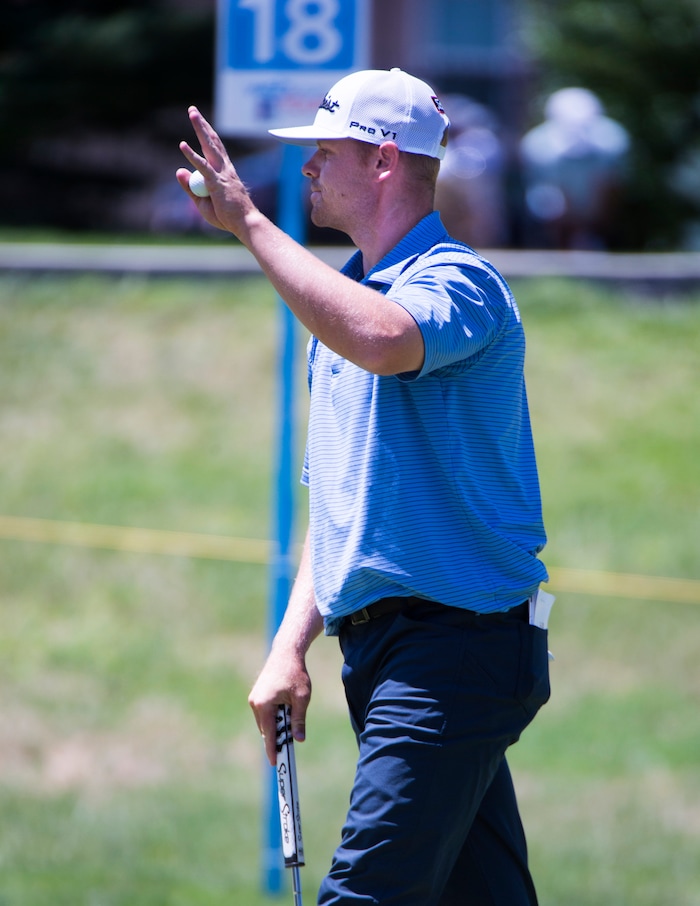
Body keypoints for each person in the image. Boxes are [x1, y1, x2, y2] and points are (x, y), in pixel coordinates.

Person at [177, 67, 551, 906]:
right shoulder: (347, 302)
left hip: (458, 649)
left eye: (324, 152)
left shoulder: (459, 282)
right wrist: (287, 648)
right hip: (389, 653)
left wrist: (249, 225)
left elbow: (387, 339)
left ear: (384, 161)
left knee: (364, 896)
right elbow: (340, 503)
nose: (306, 168)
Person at [519, 86, 630, 249]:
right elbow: (552, 193)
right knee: (549, 204)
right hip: (556, 206)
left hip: (594, 209)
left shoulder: (613, 141)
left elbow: (609, 189)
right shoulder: (537, 145)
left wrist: (597, 223)